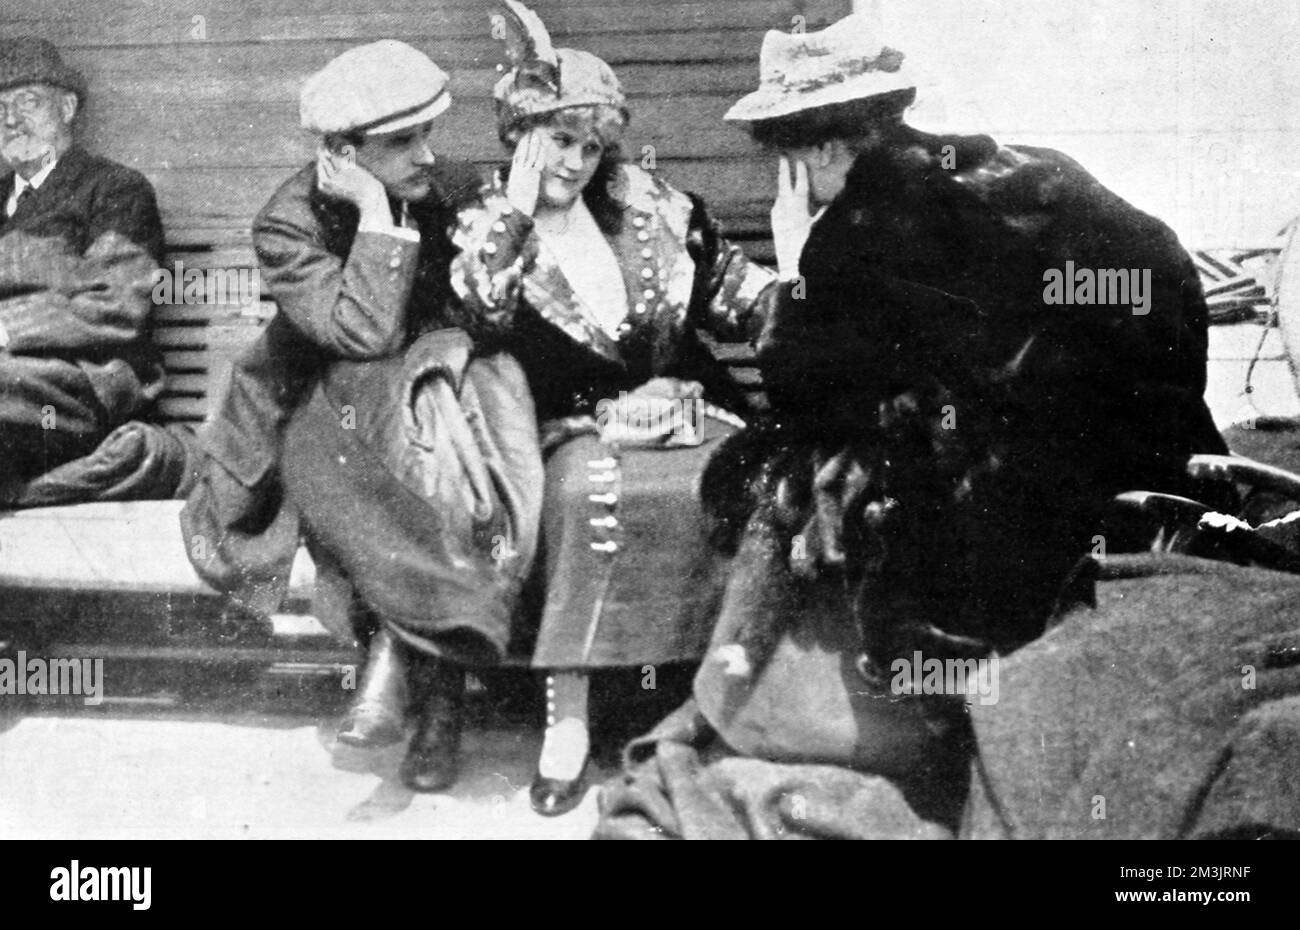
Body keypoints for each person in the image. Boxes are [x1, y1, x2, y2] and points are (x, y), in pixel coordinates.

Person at [595, 11, 1235, 838]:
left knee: (781, 474)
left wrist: (794, 265)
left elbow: (808, 392)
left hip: (1016, 505)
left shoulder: (857, 228)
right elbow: (1164, 272)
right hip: (1151, 462)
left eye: (793, 163)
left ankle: (875, 721)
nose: (792, 183)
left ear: (822, 150)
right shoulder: (1021, 168)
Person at [181, 40, 543, 793]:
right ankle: (435, 708)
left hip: (440, 400)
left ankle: (396, 675)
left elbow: (491, 313)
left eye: (428, 134)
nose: (425, 155)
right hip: (314, 406)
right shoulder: (289, 221)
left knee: (436, 459)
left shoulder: (456, 188)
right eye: (401, 141)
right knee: (385, 447)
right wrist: (376, 214)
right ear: (343, 153)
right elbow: (361, 334)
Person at [449, 1, 779, 816]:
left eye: (592, 146)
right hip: (572, 425)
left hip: (686, 407)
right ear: (521, 134)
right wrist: (520, 213)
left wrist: (814, 300)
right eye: (561, 141)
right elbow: (479, 313)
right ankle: (571, 719)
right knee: (578, 497)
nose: (577, 163)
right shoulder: (484, 221)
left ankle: (720, 709)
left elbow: (738, 293)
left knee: (742, 483)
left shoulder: (653, 205)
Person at [0, 37, 166, 498]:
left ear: (67, 107)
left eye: (28, 102)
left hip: (85, 384)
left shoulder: (113, 190)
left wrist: (7, 327)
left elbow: (118, 302)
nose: (10, 119)